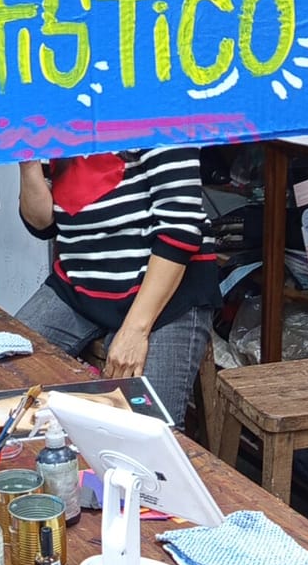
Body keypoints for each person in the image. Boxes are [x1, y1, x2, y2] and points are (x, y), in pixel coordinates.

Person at [16, 148, 220, 425]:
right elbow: (42, 224)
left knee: (146, 425)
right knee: (4, 369)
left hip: (164, 294)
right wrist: (26, 160)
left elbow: (180, 228)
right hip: (79, 285)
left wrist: (135, 331)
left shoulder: (156, 122)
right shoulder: (54, 128)